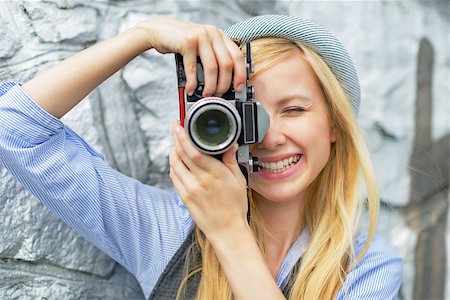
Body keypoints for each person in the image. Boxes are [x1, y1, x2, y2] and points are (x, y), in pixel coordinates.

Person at [0, 15, 402, 299]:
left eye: (294, 110)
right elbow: (14, 127)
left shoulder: (364, 266)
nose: (270, 137)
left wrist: (229, 230)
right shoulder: (165, 232)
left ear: (334, 126)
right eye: (246, 113)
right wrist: (141, 36)